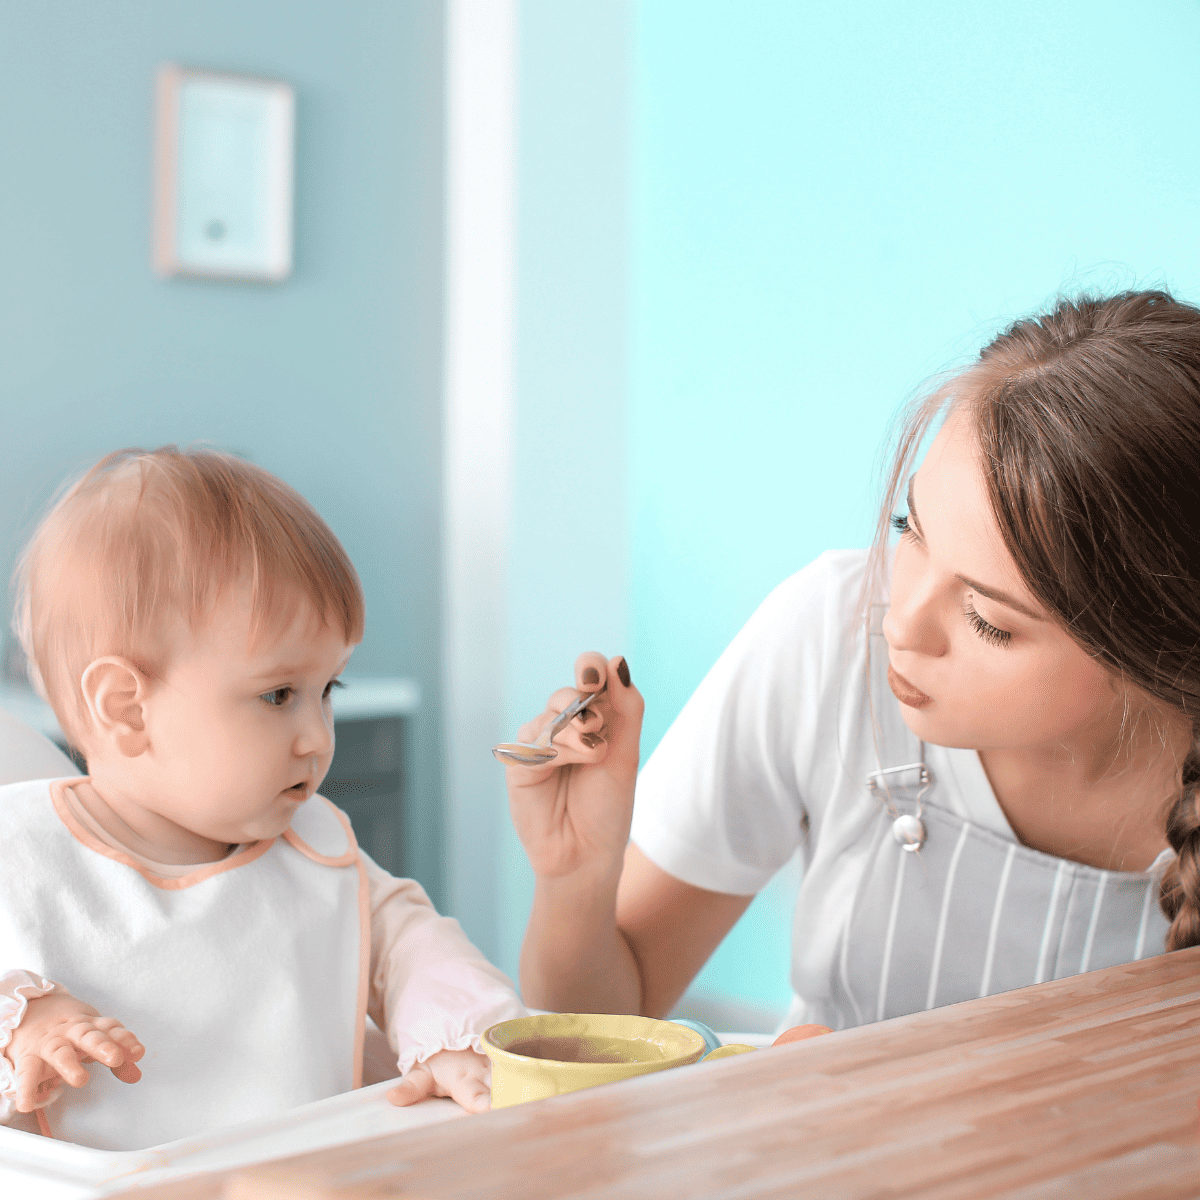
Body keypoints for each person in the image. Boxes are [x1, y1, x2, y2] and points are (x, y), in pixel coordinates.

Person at [506, 289, 1200, 1032]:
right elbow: (594, 1029)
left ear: (1153, 649)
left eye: (987, 620)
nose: (901, 623)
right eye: (912, 528)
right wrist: (576, 879)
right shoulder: (829, 634)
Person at [0, 448, 524, 1150]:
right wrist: (24, 1023)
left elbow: (415, 948)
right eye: (278, 695)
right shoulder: (22, 855)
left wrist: (453, 1045)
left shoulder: (317, 847)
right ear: (127, 708)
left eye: (327, 689)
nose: (316, 737)